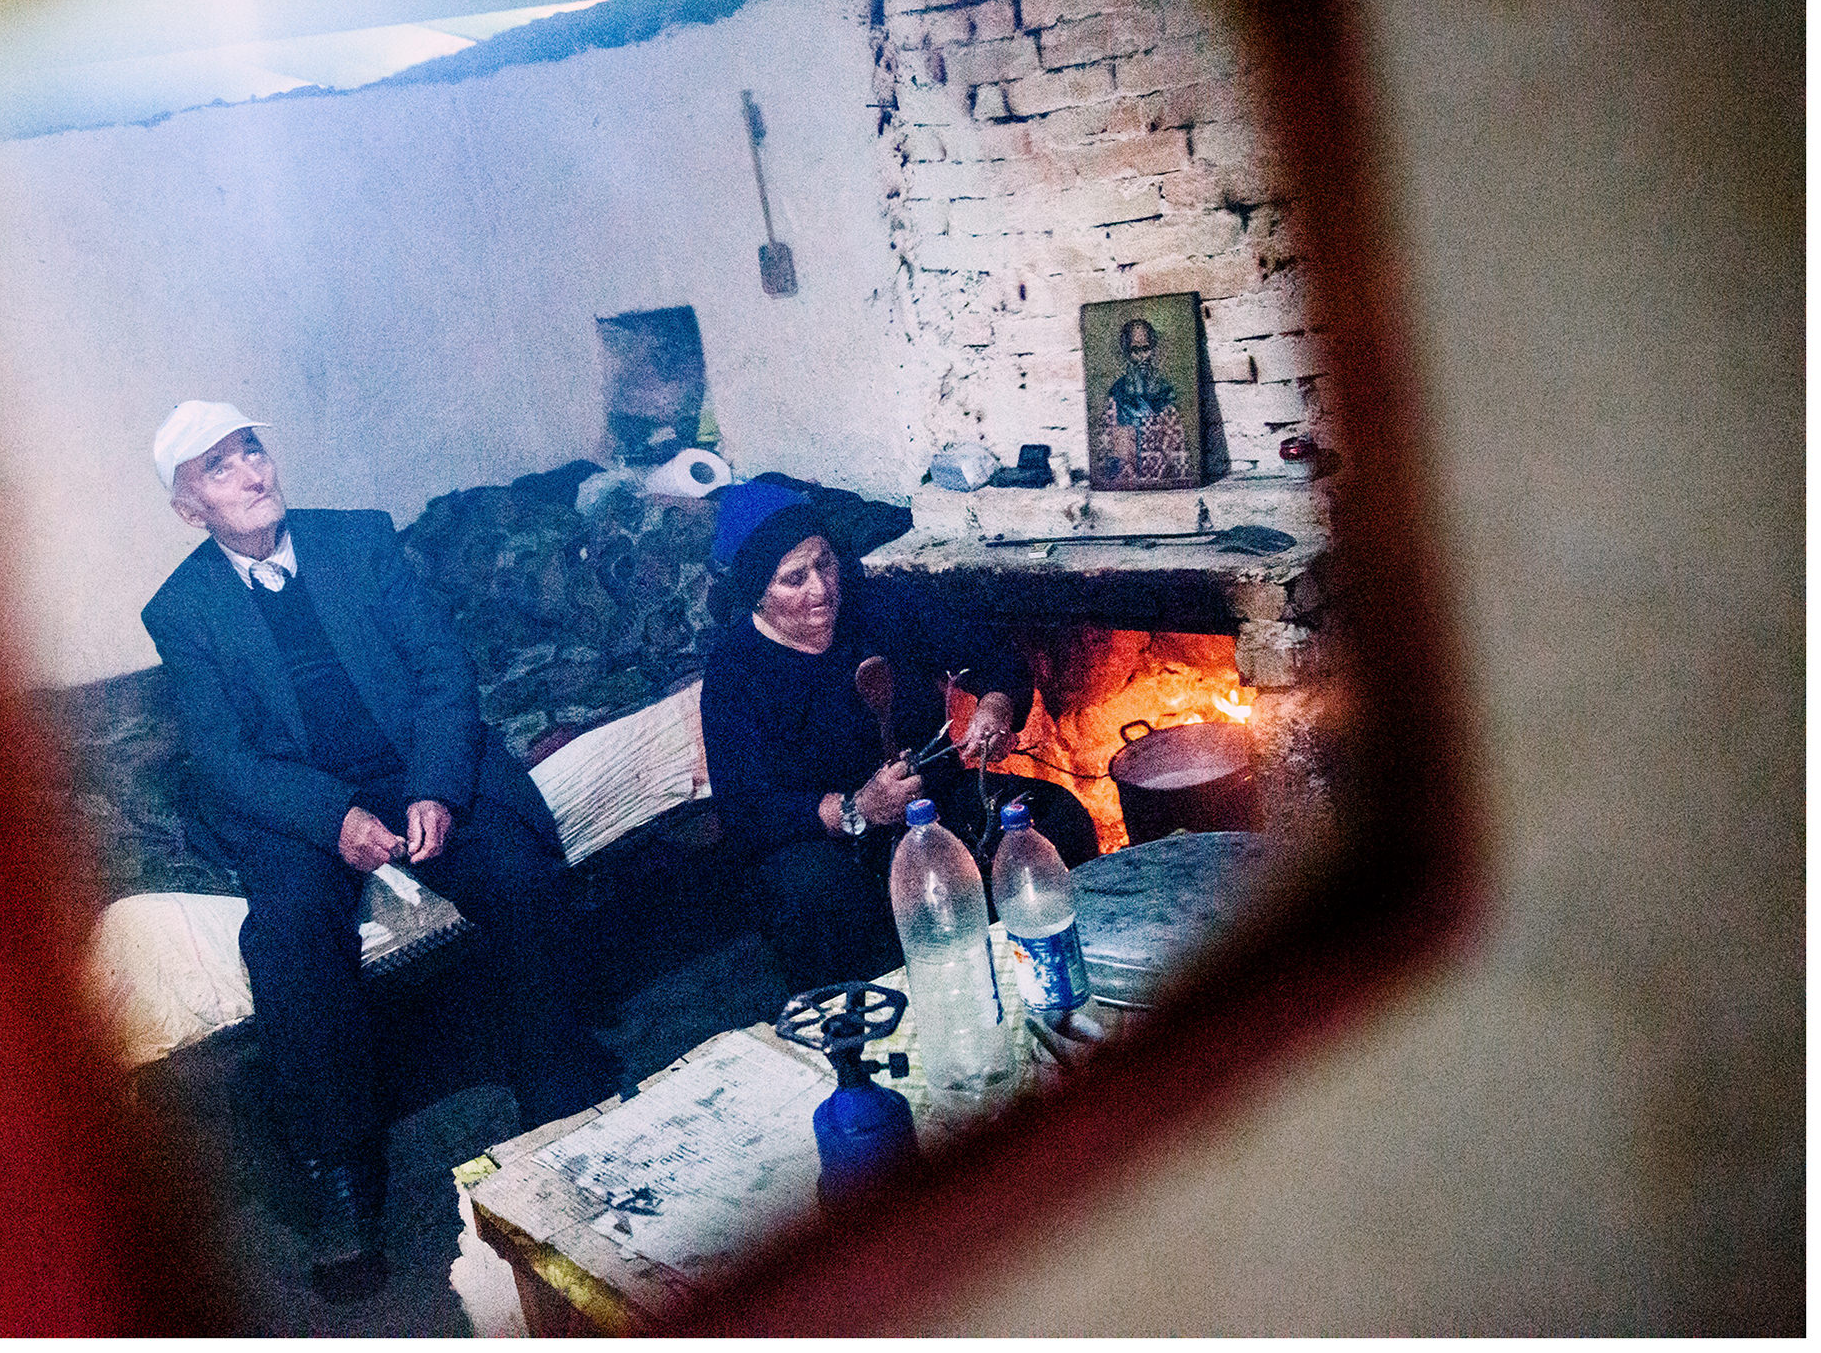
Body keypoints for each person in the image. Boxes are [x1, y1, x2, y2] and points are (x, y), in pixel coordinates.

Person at [140, 401, 612, 1301]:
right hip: (300, 799)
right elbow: (226, 760)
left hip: (407, 760)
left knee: (513, 870)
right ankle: (341, 1175)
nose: (250, 473)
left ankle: (554, 1082)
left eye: (252, 450)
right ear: (188, 507)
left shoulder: (357, 539)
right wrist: (334, 822)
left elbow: (441, 668)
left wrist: (434, 784)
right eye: (219, 468)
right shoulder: (182, 610)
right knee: (288, 939)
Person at [697, 482, 1101, 996]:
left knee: (1055, 817)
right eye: (793, 579)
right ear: (758, 590)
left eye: (824, 564)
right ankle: (903, 1019)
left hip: (937, 801)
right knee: (819, 896)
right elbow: (747, 812)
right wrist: (857, 807)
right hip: (829, 845)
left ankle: (1060, 976)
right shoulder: (736, 673)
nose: (820, 589)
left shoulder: (881, 606)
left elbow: (993, 657)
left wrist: (995, 708)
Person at [1097, 315, 1192, 486]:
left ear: (1153, 350)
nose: (1143, 357)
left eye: (1146, 349)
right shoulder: (1116, 395)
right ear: (1126, 352)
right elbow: (1106, 451)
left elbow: (1178, 451)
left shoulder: (1165, 393)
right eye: (1135, 350)